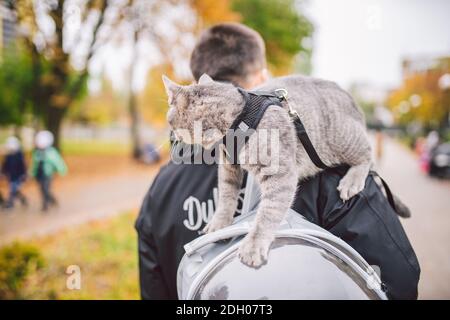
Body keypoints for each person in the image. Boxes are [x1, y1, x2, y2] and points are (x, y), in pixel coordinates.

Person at [135, 23, 419, 300]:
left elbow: (153, 288)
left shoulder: (160, 189)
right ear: (263, 79)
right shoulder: (330, 175)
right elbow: (397, 282)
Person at [31, 131, 67, 211]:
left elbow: (58, 162)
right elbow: (35, 164)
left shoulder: (51, 152)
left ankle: (45, 205)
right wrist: (32, 173)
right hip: (39, 174)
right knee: (42, 189)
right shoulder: (37, 152)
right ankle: (51, 200)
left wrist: (62, 170)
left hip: (47, 174)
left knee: (46, 189)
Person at [1, 136, 28, 209]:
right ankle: (23, 199)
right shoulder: (8, 156)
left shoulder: (20, 155)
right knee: (15, 190)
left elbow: (23, 167)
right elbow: (5, 165)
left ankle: (10, 204)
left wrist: (24, 175)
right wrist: (3, 173)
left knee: (13, 190)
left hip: (19, 176)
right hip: (11, 176)